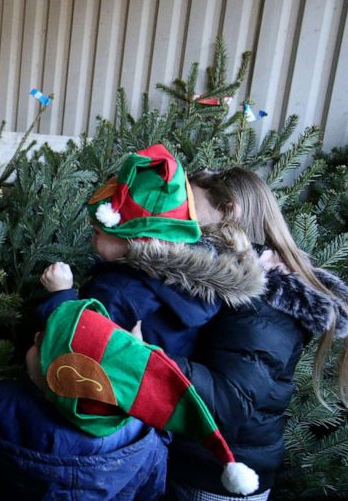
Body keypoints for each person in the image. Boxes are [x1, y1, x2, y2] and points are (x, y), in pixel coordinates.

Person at [152, 167, 348, 501]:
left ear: (228, 211)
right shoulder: (222, 278)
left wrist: (142, 355)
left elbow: (230, 400)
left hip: (222, 474)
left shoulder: (266, 302)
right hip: (182, 454)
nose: (180, 213)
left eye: (192, 205)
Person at [0, 298, 256, 501]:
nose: (35, 337)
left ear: (61, 383)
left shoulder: (7, 403)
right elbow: (149, 489)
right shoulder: (139, 437)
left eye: (42, 345)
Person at [36, 143, 263, 357]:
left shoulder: (120, 290)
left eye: (100, 229)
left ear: (135, 237)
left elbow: (74, 349)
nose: (92, 228)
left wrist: (61, 295)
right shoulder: (186, 286)